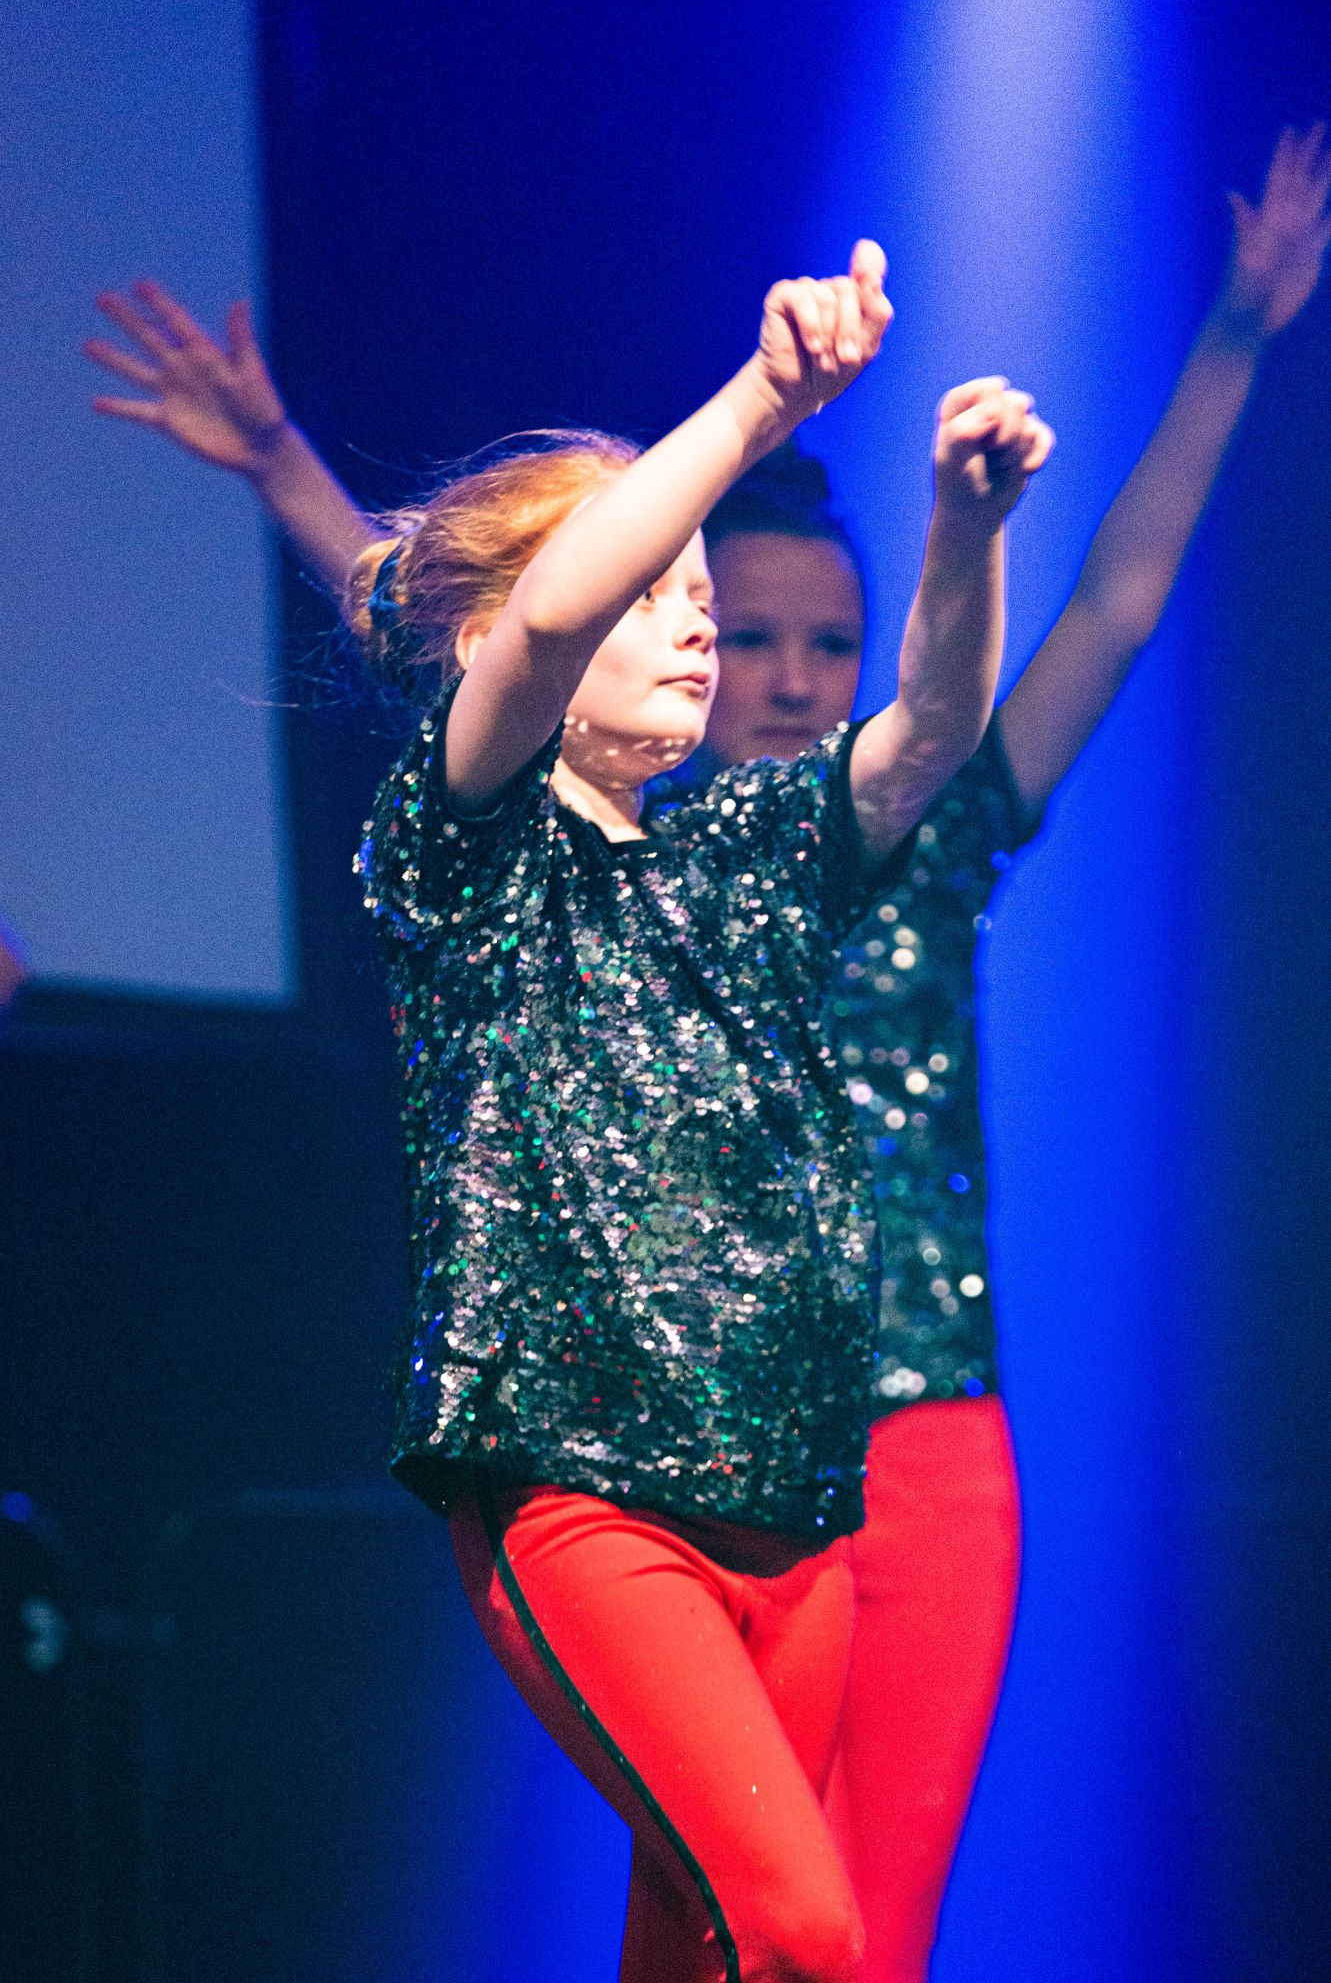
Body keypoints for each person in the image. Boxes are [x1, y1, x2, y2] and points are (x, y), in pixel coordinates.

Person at [86, 121, 1329, 1978]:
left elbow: (934, 732)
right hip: (598, 1469)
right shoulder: (473, 848)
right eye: (685, 602)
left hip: (818, 1470)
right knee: (800, 1927)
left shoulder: (752, 851)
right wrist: (761, 400)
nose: (710, 635)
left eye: (718, 609)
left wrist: (969, 522)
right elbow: (528, 611)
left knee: (770, 1944)